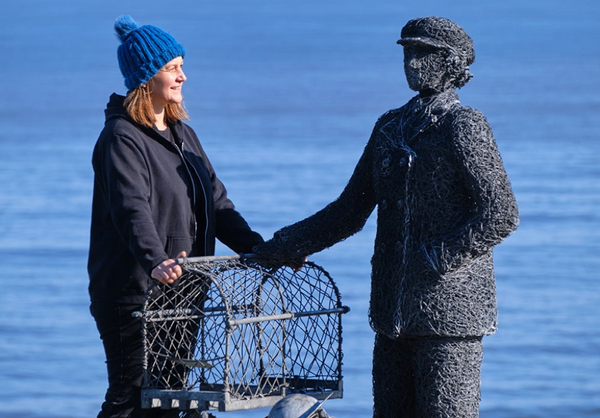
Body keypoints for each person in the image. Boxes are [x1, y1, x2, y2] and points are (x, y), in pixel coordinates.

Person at [253, 16, 519, 418]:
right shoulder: (388, 127)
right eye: (408, 52)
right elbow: (350, 210)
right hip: (391, 316)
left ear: (452, 63)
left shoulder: (463, 126)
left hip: (450, 319)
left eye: (424, 53)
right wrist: (287, 245)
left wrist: (439, 257)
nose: (412, 63)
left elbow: (501, 213)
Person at [88, 16, 264, 418]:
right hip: (134, 291)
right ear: (146, 77)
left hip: (184, 289)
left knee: (169, 400)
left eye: (181, 65)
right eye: (172, 68)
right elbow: (130, 208)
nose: (183, 76)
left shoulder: (182, 132)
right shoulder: (121, 137)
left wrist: (259, 248)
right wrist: (155, 261)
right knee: (131, 398)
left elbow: (217, 203)